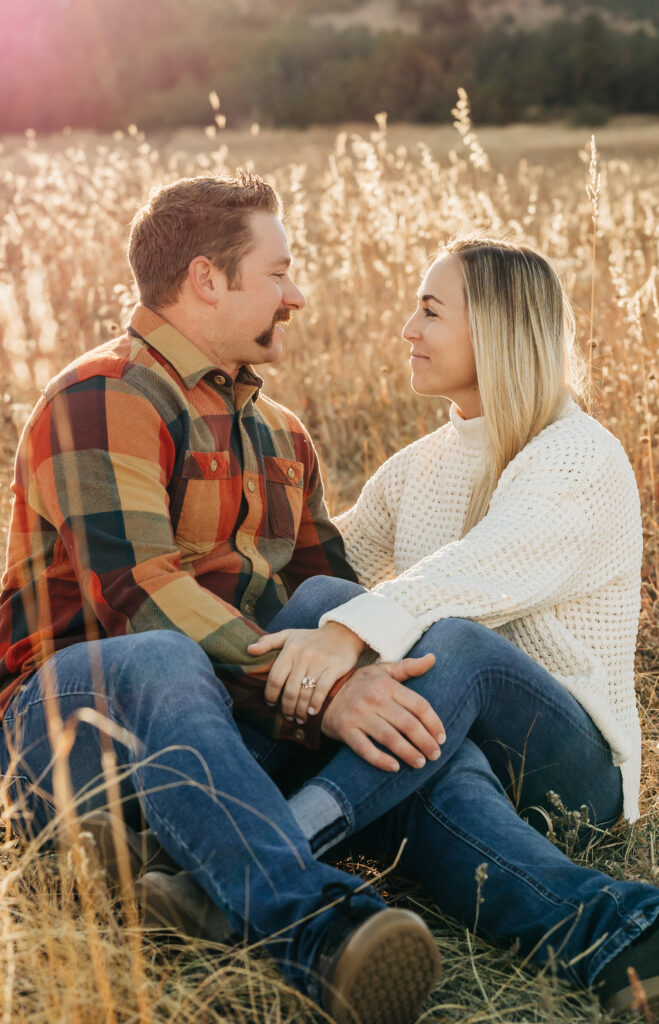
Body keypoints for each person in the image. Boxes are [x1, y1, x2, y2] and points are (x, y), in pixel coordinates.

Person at [0, 172, 444, 1024]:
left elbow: (333, 598)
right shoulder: (102, 394)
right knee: (165, 653)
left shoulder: (282, 434)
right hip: (66, 731)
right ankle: (311, 929)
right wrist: (323, 690)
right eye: (278, 273)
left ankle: (585, 920)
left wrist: (359, 667)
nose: (299, 296)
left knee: (330, 612)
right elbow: (140, 593)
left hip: (214, 724)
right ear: (207, 278)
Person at [247, 237, 659, 1020]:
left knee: (456, 646)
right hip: (450, 733)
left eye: (429, 310)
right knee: (322, 596)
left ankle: (262, 855)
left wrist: (350, 640)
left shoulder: (577, 457)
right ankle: (628, 940)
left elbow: (470, 575)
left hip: (571, 764)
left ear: (496, 329)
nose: (406, 329)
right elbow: (329, 563)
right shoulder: (422, 462)